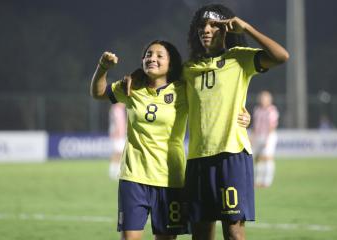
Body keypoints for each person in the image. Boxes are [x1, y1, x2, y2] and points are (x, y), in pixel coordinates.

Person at [90, 40, 251, 240]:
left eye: (159, 56)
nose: (152, 58)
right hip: (133, 177)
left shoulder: (183, 90)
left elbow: (213, 102)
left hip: (170, 178)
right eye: (148, 54)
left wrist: (243, 113)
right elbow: (98, 93)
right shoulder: (132, 87)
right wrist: (103, 67)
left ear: (171, 63)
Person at [182, 4, 289, 240]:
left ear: (226, 29)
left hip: (232, 156)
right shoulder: (188, 69)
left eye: (214, 25)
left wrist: (247, 28)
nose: (206, 30)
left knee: (234, 233)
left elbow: (281, 56)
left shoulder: (239, 58)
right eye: (202, 26)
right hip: (198, 158)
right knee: (200, 234)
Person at [251, 91, 279, 188]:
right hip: (258, 136)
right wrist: (252, 137)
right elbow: (255, 125)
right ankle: (257, 181)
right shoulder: (257, 110)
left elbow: (272, 126)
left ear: (269, 100)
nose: (262, 100)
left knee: (267, 158)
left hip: (269, 136)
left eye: (264, 98)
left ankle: (267, 181)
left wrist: (268, 140)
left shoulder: (272, 110)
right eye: (261, 98)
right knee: (257, 159)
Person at [108, 103, 127, 180]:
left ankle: (116, 171)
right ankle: (113, 171)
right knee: (117, 153)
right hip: (117, 134)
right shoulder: (116, 109)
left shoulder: (120, 110)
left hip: (121, 134)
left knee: (119, 153)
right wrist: (116, 132)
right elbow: (116, 122)